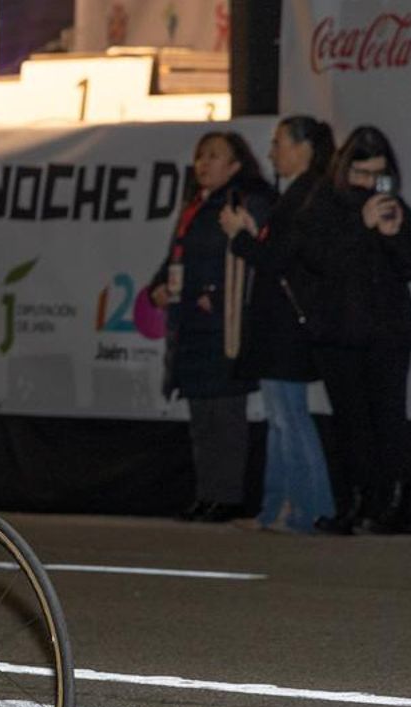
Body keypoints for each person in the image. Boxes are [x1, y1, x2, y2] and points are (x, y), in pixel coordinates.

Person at [294, 126, 411, 534]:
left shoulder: (392, 205)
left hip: (387, 332)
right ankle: (356, 502)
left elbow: (410, 267)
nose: (368, 183)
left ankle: (395, 505)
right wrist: (359, 228)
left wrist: (394, 235)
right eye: (360, 174)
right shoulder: (323, 205)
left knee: (389, 420)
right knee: (351, 422)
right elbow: (315, 260)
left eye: (377, 175)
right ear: (344, 169)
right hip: (339, 333)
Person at [219, 116, 337, 533]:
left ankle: (308, 509)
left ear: (303, 148)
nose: (272, 152)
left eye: (279, 143)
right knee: (281, 418)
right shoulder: (299, 196)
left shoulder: (309, 196)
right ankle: (279, 509)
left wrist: (240, 237)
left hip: (286, 327)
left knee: (290, 418)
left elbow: (280, 259)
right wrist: (252, 235)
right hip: (278, 326)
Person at [147, 131, 272, 522]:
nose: (203, 163)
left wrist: (218, 295)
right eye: (201, 155)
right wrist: (159, 287)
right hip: (190, 326)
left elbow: (254, 262)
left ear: (236, 165)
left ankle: (228, 497)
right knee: (202, 417)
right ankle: (207, 493)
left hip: (225, 325)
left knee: (226, 416)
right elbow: (175, 258)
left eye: (214, 156)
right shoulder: (195, 205)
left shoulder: (245, 202)